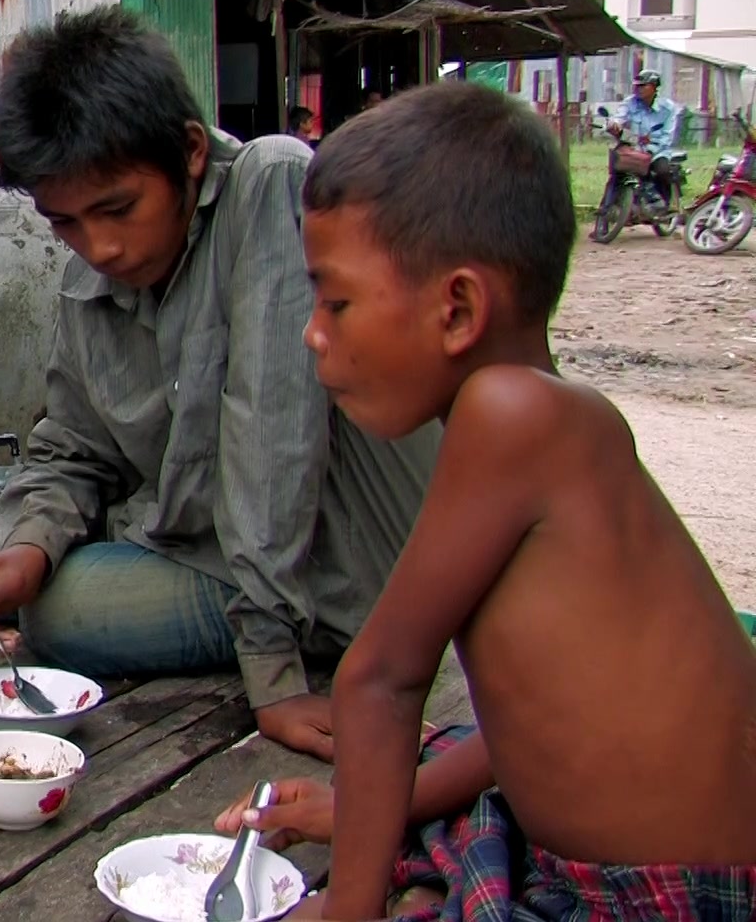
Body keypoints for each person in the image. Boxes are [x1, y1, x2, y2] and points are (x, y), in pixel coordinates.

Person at [217, 81, 756, 920]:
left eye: (337, 301)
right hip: (585, 852)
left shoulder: (513, 415)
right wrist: (381, 806)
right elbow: (526, 726)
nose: (311, 331)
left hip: (666, 898)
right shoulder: (536, 417)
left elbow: (381, 681)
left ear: (458, 308)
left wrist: (343, 911)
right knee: (451, 774)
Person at [0, 4, 436, 761]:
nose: (100, 245)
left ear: (190, 152)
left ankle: (276, 631)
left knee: (57, 615)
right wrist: (30, 548)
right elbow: (71, 450)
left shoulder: (271, 189)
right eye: (66, 224)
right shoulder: (92, 281)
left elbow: (273, 446)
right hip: (206, 538)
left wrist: (273, 678)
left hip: (325, 567)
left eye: (118, 209)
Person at [608, 68, 681, 207]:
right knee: (617, 173)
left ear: (654, 87)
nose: (638, 89)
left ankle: (666, 205)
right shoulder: (630, 102)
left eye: (643, 85)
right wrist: (614, 124)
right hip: (634, 149)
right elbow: (619, 116)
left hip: (658, 151)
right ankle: (608, 210)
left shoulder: (668, 108)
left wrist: (651, 150)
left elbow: (667, 136)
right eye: (637, 86)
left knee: (662, 171)